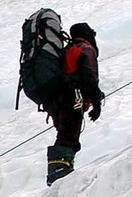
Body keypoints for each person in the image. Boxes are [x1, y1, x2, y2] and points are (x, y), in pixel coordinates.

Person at [44, 22, 102, 185]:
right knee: (69, 135)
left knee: (64, 134)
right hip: (72, 96)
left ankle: (58, 173)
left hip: (57, 100)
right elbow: (87, 75)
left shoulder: (67, 50)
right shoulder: (85, 49)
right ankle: (61, 175)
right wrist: (96, 100)